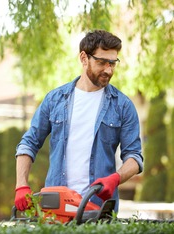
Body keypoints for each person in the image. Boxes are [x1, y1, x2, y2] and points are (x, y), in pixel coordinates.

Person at [14, 29, 143, 213]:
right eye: (102, 62)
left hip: (98, 209)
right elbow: (29, 143)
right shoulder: (55, 100)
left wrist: (116, 178)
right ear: (84, 58)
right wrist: (21, 185)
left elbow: (135, 157)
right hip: (56, 207)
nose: (108, 69)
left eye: (113, 63)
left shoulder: (122, 106)